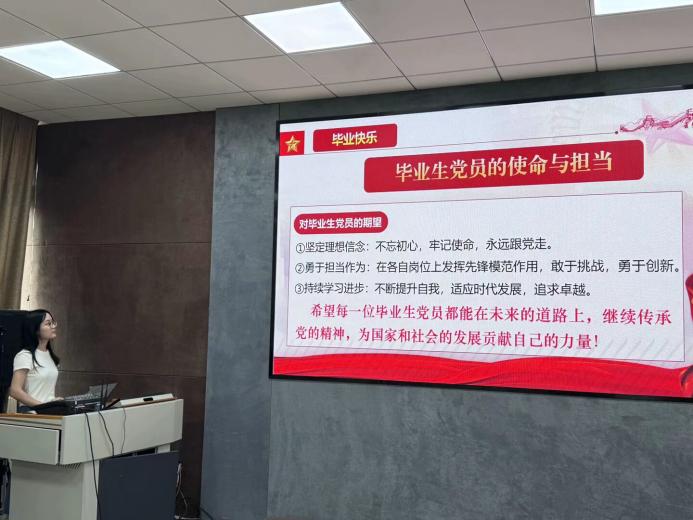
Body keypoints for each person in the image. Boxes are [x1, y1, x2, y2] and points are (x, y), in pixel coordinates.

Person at [9, 310, 60, 409]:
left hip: (48, 412)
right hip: (31, 412)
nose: (53, 326)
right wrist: (43, 406)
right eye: (48, 324)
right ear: (36, 330)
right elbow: (14, 390)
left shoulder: (50, 355)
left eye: (53, 322)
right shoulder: (25, 356)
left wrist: (53, 401)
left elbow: (45, 392)